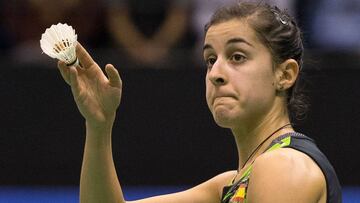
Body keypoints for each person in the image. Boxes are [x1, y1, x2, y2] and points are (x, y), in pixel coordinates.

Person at [57, 2, 341, 203]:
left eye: (237, 57)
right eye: (210, 60)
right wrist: (98, 124)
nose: (216, 73)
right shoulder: (233, 183)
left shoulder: (284, 166)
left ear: (285, 74)